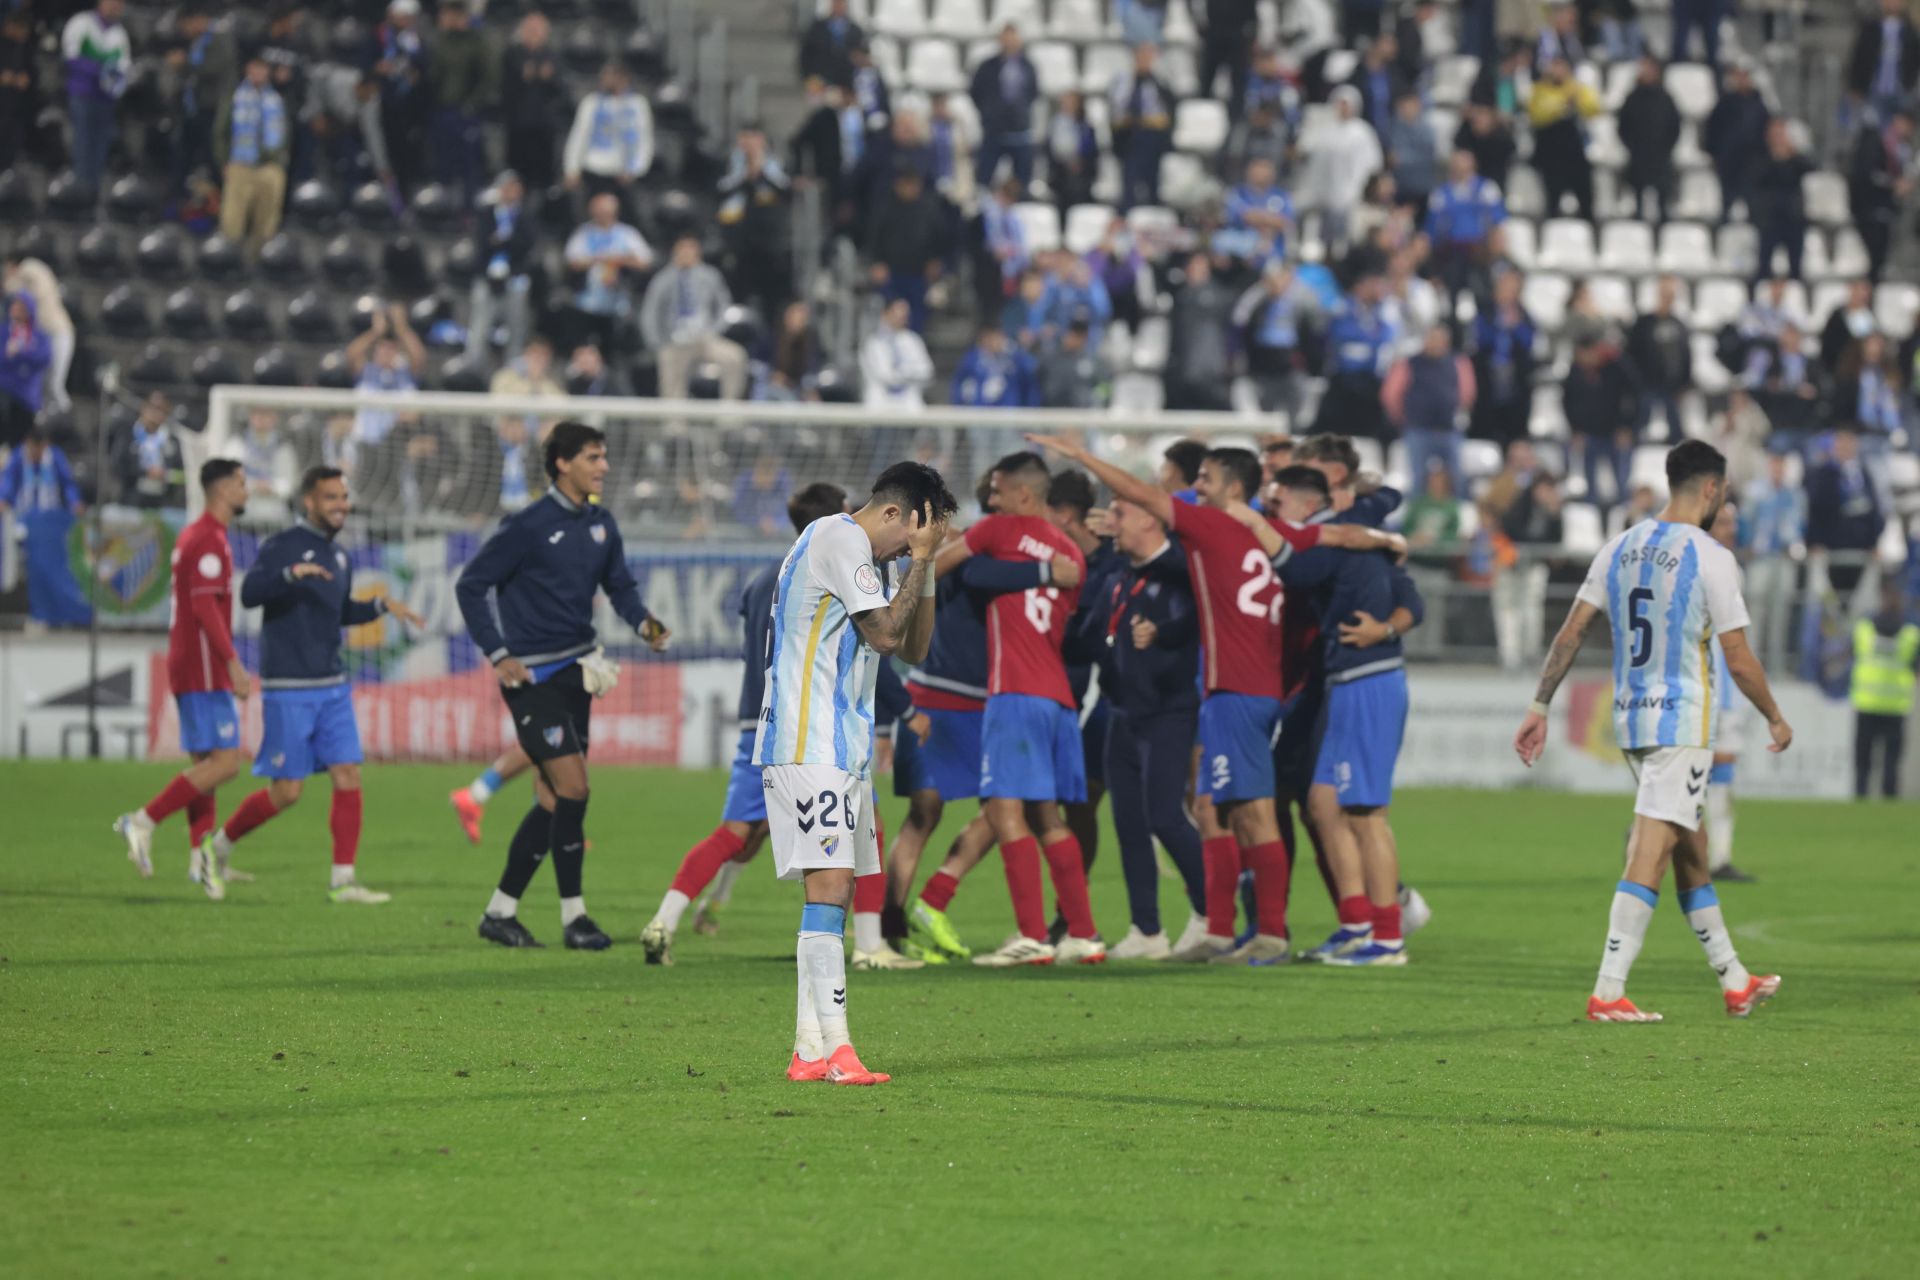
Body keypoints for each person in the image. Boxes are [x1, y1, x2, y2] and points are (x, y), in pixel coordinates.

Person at [1026, 434, 1402, 964]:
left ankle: (1269, 932)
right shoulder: (1275, 531)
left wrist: (1081, 456)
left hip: (1238, 689)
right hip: (1249, 686)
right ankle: (1222, 930)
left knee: (1253, 813)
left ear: (1231, 487)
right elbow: (1337, 533)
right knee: (1215, 808)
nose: (1191, 488)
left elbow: (1141, 493)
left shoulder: (1215, 523)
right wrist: (1385, 540)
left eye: (1204, 479)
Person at [1515, 439, 1790, 1023]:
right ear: (1712, 489)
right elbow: (1738, 657)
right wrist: (1773, 714)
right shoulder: (1712, 556)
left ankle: (1736, 980)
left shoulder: (1621, 545)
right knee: (1651, 849)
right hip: (1682, 721)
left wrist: (1540, 703)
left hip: (1631, 718)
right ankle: (1608, 991)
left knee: (1692, 851)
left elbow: (1571, 630)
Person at [642, 482, 909, 966]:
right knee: (864, 830)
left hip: (760, 719)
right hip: (815, 725)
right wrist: (905, 710)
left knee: (738, 832)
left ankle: (669, 917)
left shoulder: (767, 576)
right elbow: (872, 650)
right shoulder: (843, 571)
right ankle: (870, 946)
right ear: (844, 516)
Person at [755, 462, 956, 1085]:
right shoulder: (838, 537)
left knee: (831, 897)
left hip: (840, 749)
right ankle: (840, 1052)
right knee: (831, 890)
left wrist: (920, 569)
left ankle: (808, 1052)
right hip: (808, 743)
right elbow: (888, 637)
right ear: (896, 514)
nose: (910, 549)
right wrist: (922, 561)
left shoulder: (869, 557)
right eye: (913, 535)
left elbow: (916, 646)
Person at [455, 423, 671, 948]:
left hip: (577, 673)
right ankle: (574, 919)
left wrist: (645, 623)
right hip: (531, 679)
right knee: (574, 788)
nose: (604, 466)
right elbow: (470, 584)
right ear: (562, 463)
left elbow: (618, 586)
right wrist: (499, 652)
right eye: (594, 457)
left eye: (604, 456)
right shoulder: (528, 525)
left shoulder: (601, 524)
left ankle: (501, 912)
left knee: (554, 800)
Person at [1224, 465, 1422, 965]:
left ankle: (1387, 937)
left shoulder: (1336, 544)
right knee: (1323, 802)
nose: (1275, 512)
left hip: (1367, 682)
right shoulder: (1358, 534)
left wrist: (1249, 522)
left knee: (1366, 813)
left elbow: (1292, 567)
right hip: (1345, 682)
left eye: (1280, 502)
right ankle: (1356, 922)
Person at [203, 466, 426, 904]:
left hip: (332, 684)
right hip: (289, 686)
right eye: (331, 498)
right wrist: (290, 576)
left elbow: (337, 611)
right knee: (287, 792)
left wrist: (381, 605)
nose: (341, 506)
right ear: (309, 501)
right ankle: (219, 846)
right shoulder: (283, 546)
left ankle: (343, 881)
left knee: (348, 773)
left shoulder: (338, 555)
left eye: (344, 497)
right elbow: (250, 594)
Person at [1066, 495, 1207, 957]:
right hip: (1120, 710)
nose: (1111, 521)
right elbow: (1088, 634)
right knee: (1129, 823)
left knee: (1166, 817)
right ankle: (1147, 930)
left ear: (1150, 519)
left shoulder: (1180, 569)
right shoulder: (1119, 572)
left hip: (1167, 711)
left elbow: (1196, 622)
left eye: (1120, 514)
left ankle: (1213, 916)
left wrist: (1162, 633)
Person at [110, 460, 249, 893]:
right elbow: (205, 607)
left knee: (206, 765)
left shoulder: (200, 535)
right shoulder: (208, 539)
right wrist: (233, 663)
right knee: (227, 762)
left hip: (188, 661)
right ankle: (142, 819)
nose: (248, 490)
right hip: (204, 666)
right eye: (242, 483)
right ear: (223, 489)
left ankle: (199, 861)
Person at [1702, 500, 1757, 884]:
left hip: (1725, 693)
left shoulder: (1730, 566)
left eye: (1733, 523)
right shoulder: (1704, 564)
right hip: (1700, 690)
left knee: (1721, 778)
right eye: (1723, 522)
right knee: (1689, 779)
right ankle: (1649, 836)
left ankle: (1718, 859)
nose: (1730, 529)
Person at [638, 234, 748, 401]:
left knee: (735, 357)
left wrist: (715, 330)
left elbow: (723, 305)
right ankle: (675, 424)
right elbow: (650, 312)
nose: (686, 253)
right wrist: (657, 343)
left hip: (705, 337)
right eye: (682, 249)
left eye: (690, 249)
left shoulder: (710, 275)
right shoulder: (663, 279)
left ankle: (729, 416)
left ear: (697, 252)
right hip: (674, 340)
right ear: (675, 252)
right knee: (669, 368)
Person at [1383, 324, 1476, 495]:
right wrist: (1402, 418)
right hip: (1418, 429)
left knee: (1457, 478)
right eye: (1432, 338)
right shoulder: (1409, 364)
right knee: (1418, 478)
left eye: (1440, 339)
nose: (1436, 343)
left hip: (1449, 428)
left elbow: (1467, 392)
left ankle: (1458, 515)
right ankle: (1416, 515)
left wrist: (1457, 411)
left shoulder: (1458, 362)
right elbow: (1391, 394)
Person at [716, 125, 793, 319]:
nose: (749, 145)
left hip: (770, 243)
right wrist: (746, 176)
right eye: (745, 139)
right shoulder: (728, 164)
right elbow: (720, 192)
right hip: (738, 243)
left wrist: (762, 173)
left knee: (772, 301)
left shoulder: (776, 165)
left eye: (754, 139)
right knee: (737, 299)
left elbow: (785, 192)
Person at [1851, 580, 1918, 799]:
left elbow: (1853, 655)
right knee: (1891, 761)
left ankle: (1860, 798)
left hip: (1866, 702)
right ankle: (1889, 802)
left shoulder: (1864, 629)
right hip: (1895, 705)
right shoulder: (1910, 635)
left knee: (1863, 761)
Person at [567, 192, 655, 358]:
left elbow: (645, 262)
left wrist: (620, 260)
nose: (602, 215)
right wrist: (597, 259)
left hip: (618, 304)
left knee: (614, 351)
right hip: (586, 304)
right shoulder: (583, 233)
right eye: (598, 211)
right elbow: (573, 261)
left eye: (606, 211)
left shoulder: (627, 234)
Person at [1740, 451, 1806, 667]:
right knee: (1756, 608)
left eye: (1782, 466)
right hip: (1760, 557)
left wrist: (1795, 544)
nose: (1778, 471)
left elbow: (1800, 524)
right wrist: (1748, 544)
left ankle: (1777, 664)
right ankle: (1752, 660)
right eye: (1775, 466)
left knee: (1781, 611)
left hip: (1784, 557)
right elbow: (1745, 520)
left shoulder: (1794, 494)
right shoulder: (1756, 491)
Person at [1805, 426, 1884, 603]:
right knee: (1827, 603)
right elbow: (1815, 509)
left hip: (1860, 547)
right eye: (1841, 442)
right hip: (1830, 547)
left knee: (1857, 602)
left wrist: (1874, 542)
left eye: (1850, 442)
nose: (1845, 446)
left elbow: (1875, 508)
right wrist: (1814, 541)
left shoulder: (1863, 473)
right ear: (1834, 445)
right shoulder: (1822, 473)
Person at [563, 61, 653, 216]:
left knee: (626, 218)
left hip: (624, 174)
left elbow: (644, 139)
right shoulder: (591, 103)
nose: (605, 80)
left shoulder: (637, 105)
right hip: (595, 170)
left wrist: (636, 169)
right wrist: (572, 168)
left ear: (623, 78)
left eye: (611, 76)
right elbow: (579, 136)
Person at [425, 0, 493, 205]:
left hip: (466, 111)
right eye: (449, 13)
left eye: (456, 13)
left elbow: (488, 77)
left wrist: (472, 105)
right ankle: (442, 209)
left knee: (469, 165)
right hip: (442, 110)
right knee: (442, 163)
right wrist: (443, 35)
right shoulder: (438, 41)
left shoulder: (476, 40)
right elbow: (431, 76)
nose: (453, 18)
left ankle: (468, 211)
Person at [467, 171, 536, 361]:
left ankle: (512, 371)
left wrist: (501, 241)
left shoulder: (524, 216)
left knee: (516, 327)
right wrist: (505, 242)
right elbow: (481, 243)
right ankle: (473, 370)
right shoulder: (486, 214)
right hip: (487, 276)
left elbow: (527, 244)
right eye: (505, 187)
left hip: (516, 277)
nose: (509, 191)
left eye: (513, 187)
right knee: (480, 326)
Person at [1301, 86, 1383, 247]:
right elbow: (1306, 152)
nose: (1343, 108)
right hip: (1322, 195)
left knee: (1344, 239)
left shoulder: (1362, 132)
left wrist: (1358, 191)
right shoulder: (1324, 129)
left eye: (1346, 103)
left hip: (1351, 196)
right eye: (1339, 103)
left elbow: (1373, 165)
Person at [867, 168, 946, 334]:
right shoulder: (885, 207)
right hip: (891, 272)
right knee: (890, 310)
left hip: (919, 273)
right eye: (907, 185)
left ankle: (913, 347)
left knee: (916, 316)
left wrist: (935, 261)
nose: (911, 190)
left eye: (914, 185)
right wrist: (876, 263)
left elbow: (940, 238)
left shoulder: (928, 208)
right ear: (898, 186)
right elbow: (874, 238)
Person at [63, 0, 130, 190]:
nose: (115, 7)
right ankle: (79, 191)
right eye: (112, 2)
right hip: (83, 94)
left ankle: (92, 193)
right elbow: (71, 58)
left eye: (119, 4)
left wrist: (115, 81)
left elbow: (124, 66)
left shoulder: (120, 33)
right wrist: (99, 70)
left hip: (106, 99)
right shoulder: (81, 23)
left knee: (100, 147)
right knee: (83, 143)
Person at [1563, 338, 1639, 508]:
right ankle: (1591, 514)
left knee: (1621, 483)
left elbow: (1634, 396)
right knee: (1590, 482)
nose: (1582, 360)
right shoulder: (1576, 371)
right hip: (1588, 433)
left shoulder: (1616, 367)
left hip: (1615, 432)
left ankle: (1623, 512)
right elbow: (1568, 401)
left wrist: (1627, 427)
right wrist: (1575, 430)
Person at [1528, 56, 1599, 223]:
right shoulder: (1540, 90)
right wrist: (1563, 103)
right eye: (1554, 66)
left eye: (1561, 67)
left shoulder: (1576, 89)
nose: (1557, 71)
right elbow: (1537, 115)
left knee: (1585, 197)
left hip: (1574, 154)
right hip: (1550, 155)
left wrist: (1576, 100)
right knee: (1552, 201)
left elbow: (1593, 108)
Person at [4, 253, 76, 416]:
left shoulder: (29, 267)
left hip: (58, 332)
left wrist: (10, 279)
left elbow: (11, 288)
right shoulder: (33, 275)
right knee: (42, 386)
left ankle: (68, 420)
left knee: (54, 385)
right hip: (47, 333)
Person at [970, 23, 1038, 192]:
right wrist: (989, 112)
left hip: (1020, 130)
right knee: (983, 178)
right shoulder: (987, 66)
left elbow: (1033, 93)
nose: (1009, 42)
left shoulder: (1028, 67)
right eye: (1006, 37)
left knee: (1022, 180)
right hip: (994, 130)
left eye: (1013, 37)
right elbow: (975, 92)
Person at [1849, 109, 1915, 282]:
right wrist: (1894, 185)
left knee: (1879, 262)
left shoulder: (1899, 148)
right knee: (1872, 260)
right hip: (1868, 209)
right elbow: (1868, 174)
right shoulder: (1875, 141)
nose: (1908, 130)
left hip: (1884, 210)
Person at [1110, 41, 1175, 210]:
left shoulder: (1159, 82)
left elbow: (1169, 109)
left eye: (1149, 57)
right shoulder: (1124, 81)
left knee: (1152, 184)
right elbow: (1116, 109)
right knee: (1129, 185)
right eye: (1142, 57)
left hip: (1153, 137)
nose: (1145, 61)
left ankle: (1154, 220)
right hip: (1130, 137)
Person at [501, 11, 563, 190]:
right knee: (517, 176)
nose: (534, 33)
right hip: (518, 125)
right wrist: (522, 78)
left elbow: (560, 91)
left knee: (543, 178)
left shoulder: (552, 56)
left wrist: (548, 79)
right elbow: (504, 89)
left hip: (544, 127)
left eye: (538, 29)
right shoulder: (512, 55)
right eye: (530, 29)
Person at [1626, 276, 1693, 440]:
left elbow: (1686, 355)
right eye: (1664, 293)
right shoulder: (1644, 323)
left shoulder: (1679, 324)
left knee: (1676, 431)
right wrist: (1637, 381)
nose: (1668, 298)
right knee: (1639, 426)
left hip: (1673, 386)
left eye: (1671, 295)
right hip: (1647, 384)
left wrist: (1684, 382)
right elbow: (1631, 353)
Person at [1618, 54, 1681, 225]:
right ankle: (1638, 228)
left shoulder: (1666, 98)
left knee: (1663, 197)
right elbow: (1623, 126)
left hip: (1661, 155)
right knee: (1638, 193)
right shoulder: (1632, 98)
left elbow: (1675, 126)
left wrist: (1665, 147)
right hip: (1638, 154)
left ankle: (1664, 229)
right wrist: (1632, 146)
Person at [1704, 63, 1770, 224]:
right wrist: (1715, 153)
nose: (1741, 80)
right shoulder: (1724, 104)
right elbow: (1712, 129)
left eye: (1745, 76)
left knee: (1753, 205)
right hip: (1728, 162)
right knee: (1726, 204)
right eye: (1738, 76)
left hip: (1752, 163)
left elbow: (1767, 134)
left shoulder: (1760, 106)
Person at [1752, 119, 1814, 280]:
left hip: (1793, 217)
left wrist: (1791, 155)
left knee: (1796, 268)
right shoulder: (1761, 157)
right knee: (1763, 267)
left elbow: (1811, 167)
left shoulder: (1796, 158)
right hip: (1769, 219)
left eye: (1781, 134)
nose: (1778, 138)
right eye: (1775, 134)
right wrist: (1775, 159)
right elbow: (1755, 180)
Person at [1847, 0, 1920, 124]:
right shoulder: (1870, 29)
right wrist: (1855, 86)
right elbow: (1858, 58)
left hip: (1901, 90)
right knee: (1873, 131)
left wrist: (1910, 86)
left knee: (1897, 134)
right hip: (1874, 90)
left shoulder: (1910, 32)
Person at [859, 297, 934, 410]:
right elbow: (885, 375)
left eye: (904, 314)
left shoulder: (913, 340)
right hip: (880, 405)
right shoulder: (873, 343)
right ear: (885, 314)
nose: (901, 317)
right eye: (897, 312)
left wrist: (901, 374)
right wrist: (910, 373)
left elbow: (927, 372)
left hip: (910, 404)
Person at [115, 391, 186, 510]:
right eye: (153, 408)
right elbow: (118, 465)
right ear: (144, 408)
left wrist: (166, 474)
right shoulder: (128, 434)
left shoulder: (172, 440)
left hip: (163, 500)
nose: (156, 414)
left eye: (162, 410)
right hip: (132, 498)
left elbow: (182, 471)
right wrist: (145, 472)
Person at [0, 291, 53, 446]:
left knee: (22, 434)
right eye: (15, 305)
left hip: (26, 396)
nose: (17, 310)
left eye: (22, 307)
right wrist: (9, 355)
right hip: (5, 391)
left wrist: (20, 354)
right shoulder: (3, 333)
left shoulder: (39, 336)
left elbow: (44, 358)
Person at [800, 0, 865, 85]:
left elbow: (862, 55)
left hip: (848, 83)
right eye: (836, 3)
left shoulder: (855, 30)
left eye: (841, 3)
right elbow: (806, 54)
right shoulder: (817, 28)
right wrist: (808, 76)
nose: (838, 6)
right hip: (820, 80)